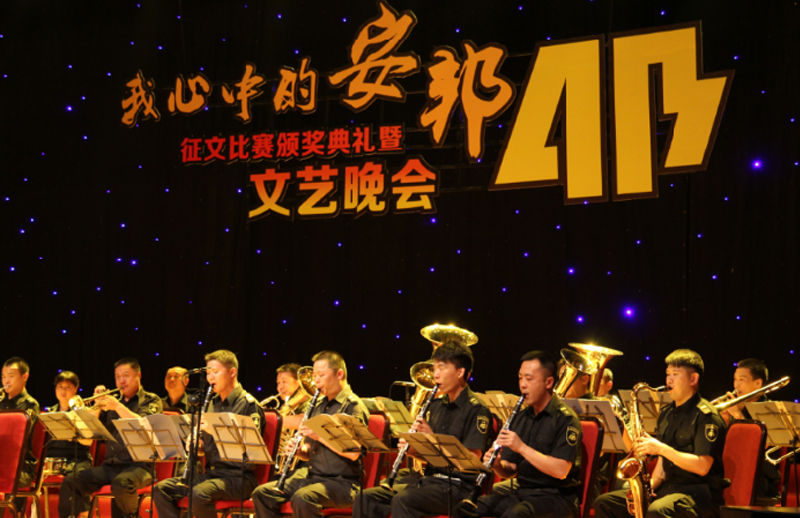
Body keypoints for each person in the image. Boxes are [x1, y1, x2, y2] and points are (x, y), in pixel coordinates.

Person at [354, 342, 492, 518]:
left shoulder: (477, 409)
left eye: (441, 368)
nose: (435, 375)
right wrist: (414, 450)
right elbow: (433, 456)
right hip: (430, 480)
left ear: (460, 372)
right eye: (434, 368)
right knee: (366, 498)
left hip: (458, 487)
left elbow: (471, 461)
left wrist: (431, 438)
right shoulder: (437, 405)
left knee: (403, 500)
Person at [593, 349, 727, 518]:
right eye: (668, 374)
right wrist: (646, 488)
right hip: (669, 490)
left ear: (693, 379)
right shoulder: (666, 413)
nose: (669, 380)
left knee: (656, 510)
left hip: (699, 494)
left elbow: (702, 466)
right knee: (605, 502)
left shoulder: (707, 416)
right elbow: (662, 469)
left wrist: (661, 448)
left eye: (675, 374)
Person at [455, 350, 582, 518]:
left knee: (515, 515)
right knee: (464, 509)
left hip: (557, 498)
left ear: (549, 382)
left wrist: (521, 447)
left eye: (529, 379)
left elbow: (560, 470)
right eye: (520, 378)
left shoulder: (565, 419)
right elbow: (510, 470)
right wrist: (497, 465)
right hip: (524, 493)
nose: (522, 384)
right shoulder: (522, 417)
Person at [252, 350, 369, 518]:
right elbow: (309, 451)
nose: (316, 381)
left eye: (321, 375)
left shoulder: (353, 406)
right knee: (262, 493)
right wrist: (300, 451)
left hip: (344, 483)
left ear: (339, 374)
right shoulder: (318, 406)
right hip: (313, 477)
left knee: (303, 498)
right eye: (314, 376)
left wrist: (320, 435)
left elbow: (354, 452)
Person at [153, 349, 265, 518]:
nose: (210, 377)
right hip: (212, 475)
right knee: (162, 489)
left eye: (215, 372)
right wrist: (197, 447)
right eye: (208, 373)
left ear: (232, 372)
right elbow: (206, 450)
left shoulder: (248, 405)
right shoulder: (211, 404)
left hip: (239, 478)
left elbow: (251, 451)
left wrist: (216, 431)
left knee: (199, 493)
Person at [58, 358, 163, 518]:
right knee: (71, 481)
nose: (121, 381)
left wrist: (118, 407)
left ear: (138, 375)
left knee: (122, 483)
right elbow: (89, 435)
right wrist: (97, 405)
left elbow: (144, 425)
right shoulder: (112, 403)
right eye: (117, 377)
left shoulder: (151, 400)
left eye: (126, 375)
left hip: (140, 466)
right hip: (110, 466)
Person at [717, 358, 781, 502]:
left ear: (758, 383)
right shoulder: (737, 405)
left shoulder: (771, 410)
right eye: (735, 379)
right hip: (730, 471)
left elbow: (757, 447)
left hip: (759, 479)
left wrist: (738, 416)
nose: (736, 385)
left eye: (742, 380)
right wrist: (723, 423)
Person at [1, 357, 41, 493]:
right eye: (3, 377)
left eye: (11, 376)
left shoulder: (30, 405)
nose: (6, 381)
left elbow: (17, 438)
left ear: (24, 377)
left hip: (21, 468)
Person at [44, 371, 93, 477]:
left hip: (77, 458)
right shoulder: (49, 413)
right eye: (60, 386)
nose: (63, 390)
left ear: (76, 389)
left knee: (73, 477)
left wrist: (75, 434)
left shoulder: (83, 412)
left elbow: (89, 441)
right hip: (52, 457)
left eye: (68, 387)